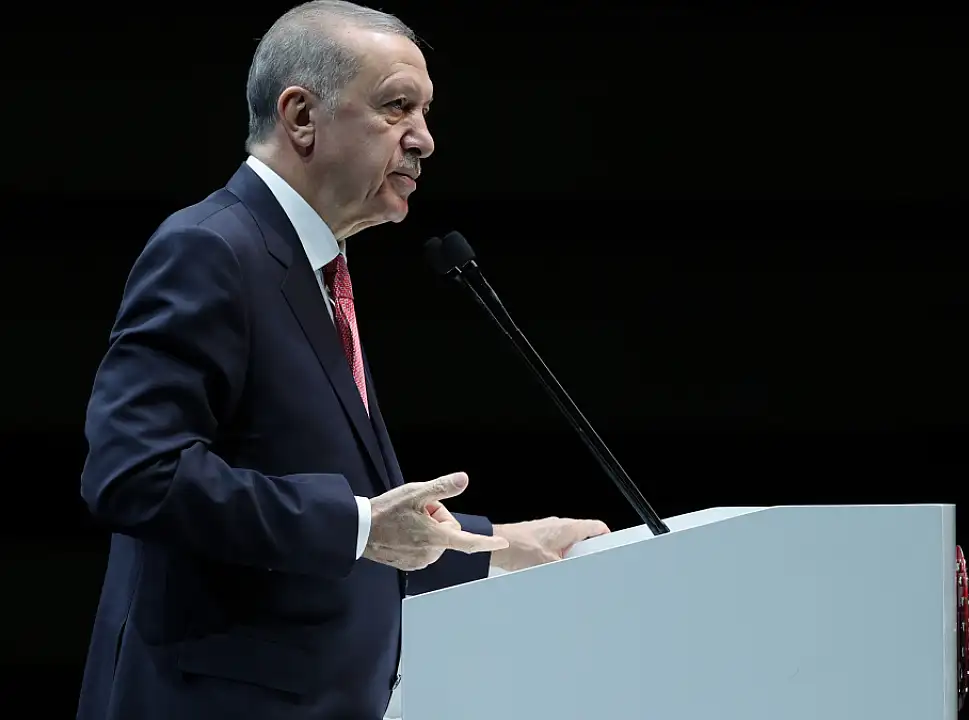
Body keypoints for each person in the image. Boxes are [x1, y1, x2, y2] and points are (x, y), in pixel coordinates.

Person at [75, 3, 610, 719]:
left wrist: (498, 545)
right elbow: (135, 474)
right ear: (302, 117)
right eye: (396, 107)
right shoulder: (211, 250)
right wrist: (358, 525)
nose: (424, 139)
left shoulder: (315, 269)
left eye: (424, 112)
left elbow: (346, 516)